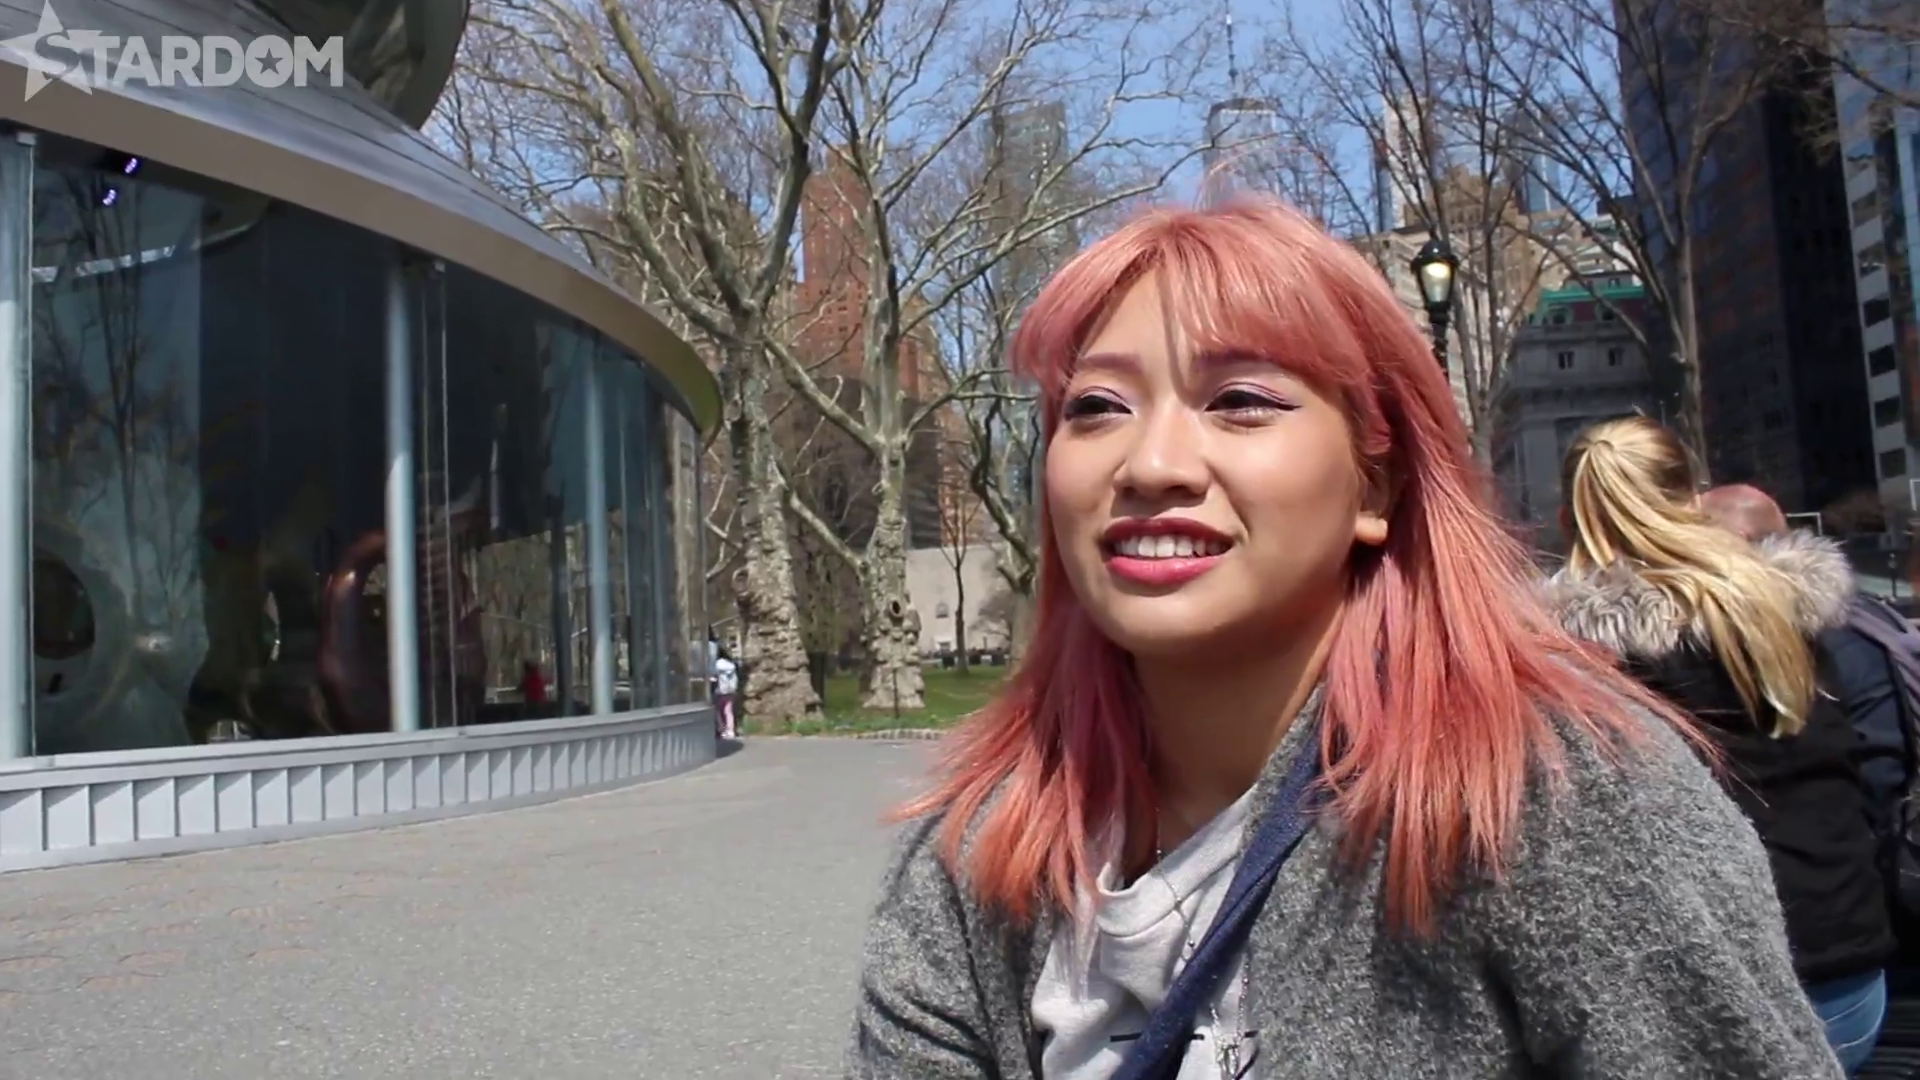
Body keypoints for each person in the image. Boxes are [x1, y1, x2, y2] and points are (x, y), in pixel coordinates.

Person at [846, 197, 1838, 1079]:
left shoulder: (1560, 799)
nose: (1150, 464)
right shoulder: (976, 845)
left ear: (1378, 486)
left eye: (1241, 401)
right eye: (1097, 407)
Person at [1547, 419, 1894, 1074]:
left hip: (1720, 996)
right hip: (1853, 978)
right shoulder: (1785, 609)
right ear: (1693, 499)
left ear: (1568, 522)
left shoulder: (1574, 661)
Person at [714, 649, 739, 739]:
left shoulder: (716, 664)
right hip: (731, 690)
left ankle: (722, 730)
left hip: (720, 690)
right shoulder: (731, 665)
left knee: (719, 711)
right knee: (728, 711)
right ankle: (731, 731)